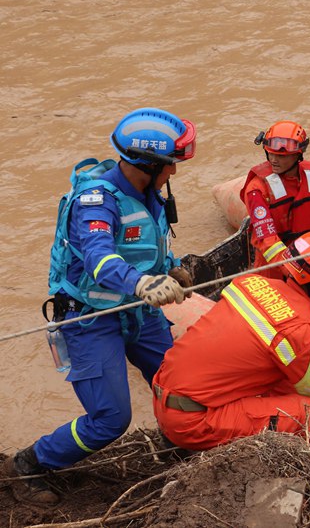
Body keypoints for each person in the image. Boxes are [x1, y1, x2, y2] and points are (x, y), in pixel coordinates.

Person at [2, 108, 195, 504]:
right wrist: (142, 283)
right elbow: (99, 258)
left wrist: (171, 269)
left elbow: (146, 246)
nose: (174, 172)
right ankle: (31, 463)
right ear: (148, 164)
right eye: (170, 164)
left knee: (182, 385)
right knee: (111, 419)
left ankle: (178, 440)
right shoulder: (95, 202)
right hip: (91, 318)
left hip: (138, 313)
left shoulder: (149, 194)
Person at [152, 231, 310, 457]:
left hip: (166, 397)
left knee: (288, 385)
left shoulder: (251, 283)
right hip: (192, 421)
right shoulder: (303, 332)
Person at [240, 120, 310, 279]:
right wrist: (292, 269)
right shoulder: (257, 189)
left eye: (280, 156)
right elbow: (266, 239)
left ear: (298, 154)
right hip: (275, 271)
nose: (273, 159)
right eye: (270, 153)